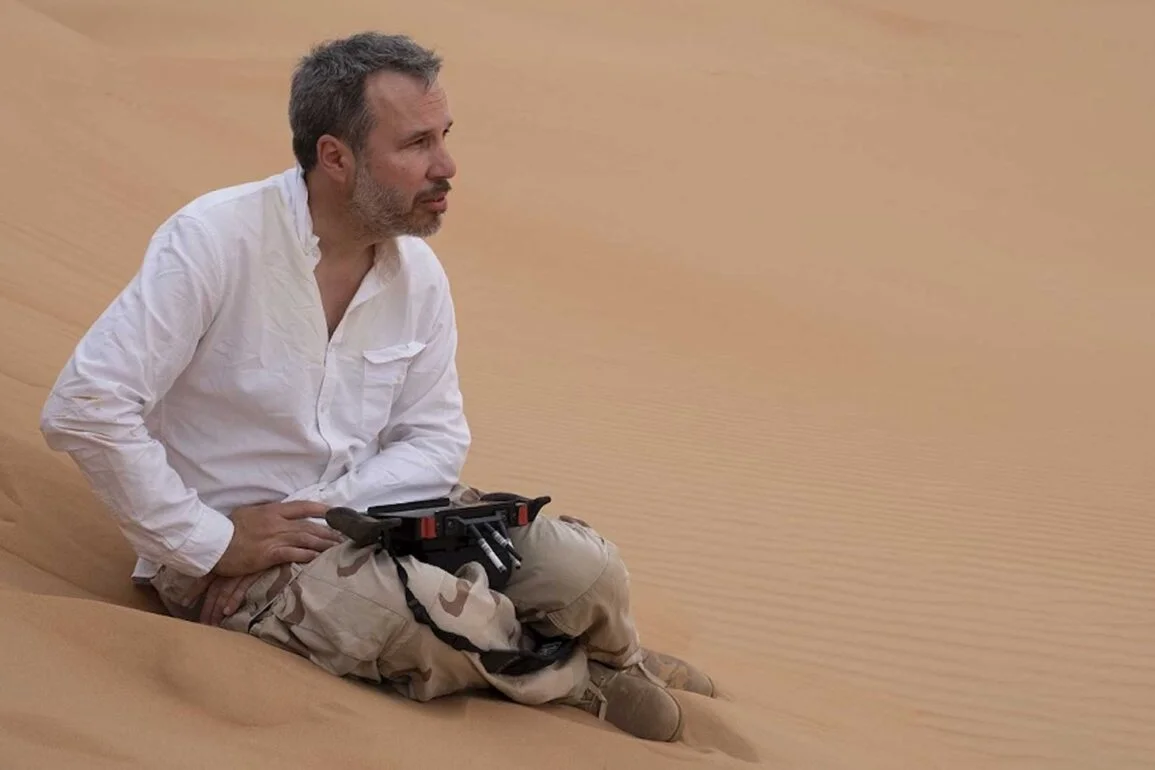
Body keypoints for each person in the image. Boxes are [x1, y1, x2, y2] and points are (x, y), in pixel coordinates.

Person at [38, 31, 714, 742]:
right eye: (417, 143)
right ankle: (576, 679)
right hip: (232, 545)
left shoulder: (416, 275)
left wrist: (331, 517)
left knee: (585, 569)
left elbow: (435, 438)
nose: (446, 165)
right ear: (336, 157)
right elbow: (86, 406)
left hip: (373, 513)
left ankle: (614, 653)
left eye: (444, 135)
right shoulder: (215, 240)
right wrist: (210, 543)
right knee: (411, 620)